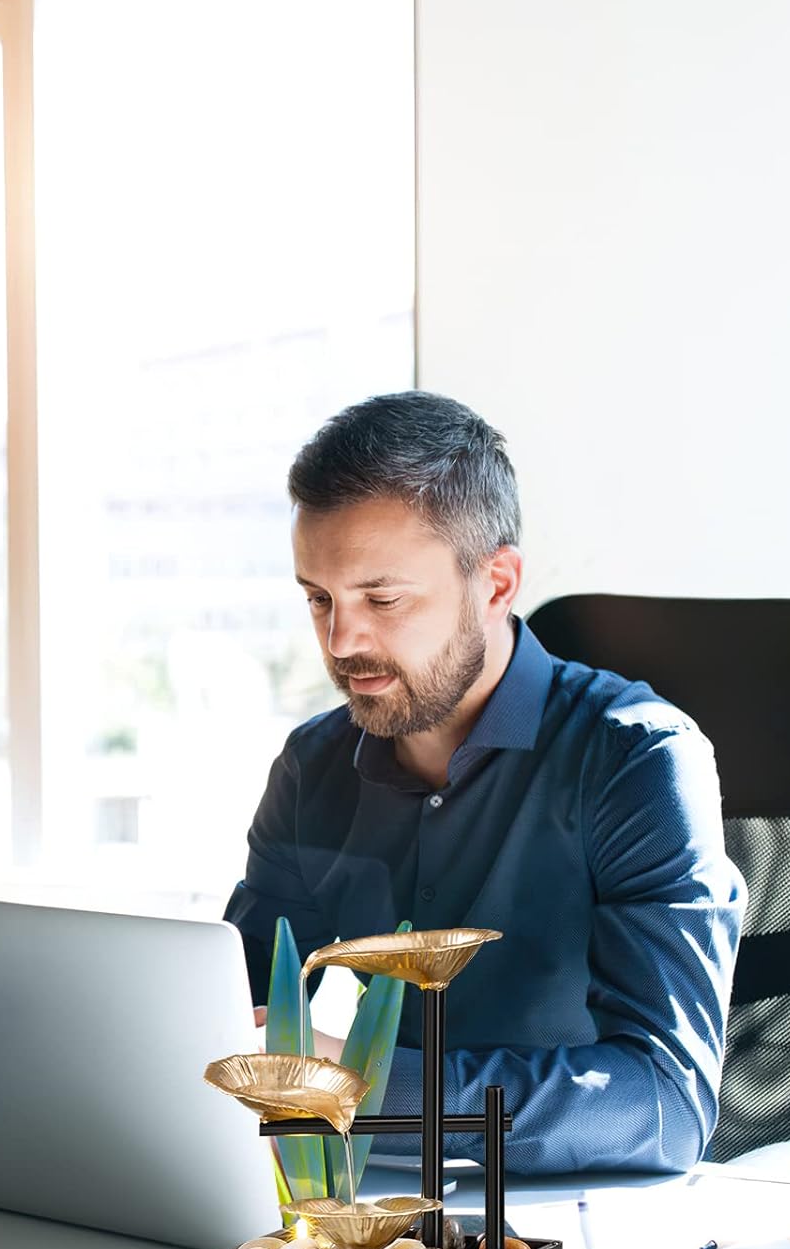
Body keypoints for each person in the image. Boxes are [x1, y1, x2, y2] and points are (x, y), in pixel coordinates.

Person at [224, 390, 746, 1174]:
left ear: (497, 584)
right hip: (374, 1199)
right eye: (319, 598)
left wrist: (357, 1084)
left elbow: (665, 1105)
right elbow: (225, 1009)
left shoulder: (638, 760)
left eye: (383, 598)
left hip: (582, 1217)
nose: (342, 638)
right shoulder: (312, 766)